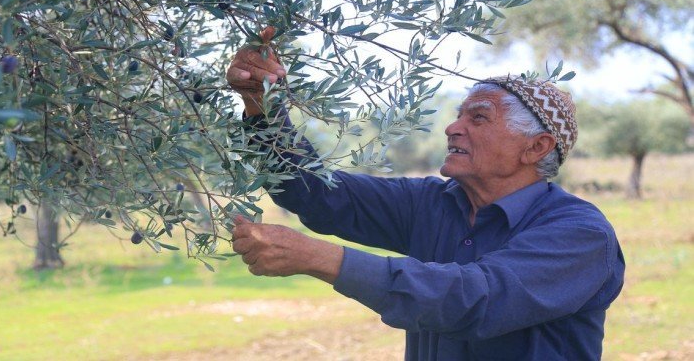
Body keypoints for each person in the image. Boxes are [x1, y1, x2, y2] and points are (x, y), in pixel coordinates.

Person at [226, 31, 625, 360]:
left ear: (536, 148)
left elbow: (473, 299)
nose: (453, 127)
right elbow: (317, 194)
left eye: (479, 117)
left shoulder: (580, 234)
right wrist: (261, 107)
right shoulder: (431, 203)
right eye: (459, 114)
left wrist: (319, 257)